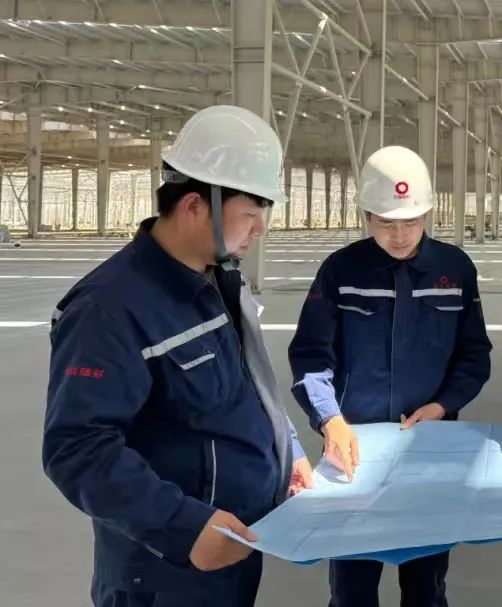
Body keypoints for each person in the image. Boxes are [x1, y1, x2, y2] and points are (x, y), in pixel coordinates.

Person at [42, 105, 314, 607]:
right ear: (195, 206)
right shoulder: (110, 308)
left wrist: (287, 453)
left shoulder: (216, 280)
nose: (259, 229)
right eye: (251, 213)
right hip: (167, 571)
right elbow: (77, 448)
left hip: (228, 549)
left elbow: (246, 387)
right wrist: (182, 526)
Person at [288, 145, 492, 607]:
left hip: (429, 450)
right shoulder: (340, 271)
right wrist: (330, 419)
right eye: (385, 222)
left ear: (427, 214)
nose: (399, 235)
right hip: (354, 453)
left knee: (426, 584)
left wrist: (443, 405)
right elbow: (312, 356)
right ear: (366, 216)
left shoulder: (455, 270)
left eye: (410, 222)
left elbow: (474, 354)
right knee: (352, 585)